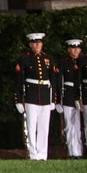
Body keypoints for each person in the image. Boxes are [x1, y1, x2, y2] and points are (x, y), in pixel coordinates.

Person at [14, 33, 58, 161]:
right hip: (31, 96)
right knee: (31, 127)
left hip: (45, 96)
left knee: (44, 127)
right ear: (30, 44)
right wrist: (18, 100)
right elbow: (19, 80)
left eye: (39, 42)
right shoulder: (25, 59)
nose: (37, 45)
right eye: (34, 42)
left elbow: (53, 80)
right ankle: (33, 154)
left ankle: (42, 155)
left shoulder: (48, 58)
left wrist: (53, 99)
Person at [56, 39, 84, 159]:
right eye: (72, 48)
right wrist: (58, 101)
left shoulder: (83, 62)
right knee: (69, 125)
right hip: (68, 96)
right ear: (68, 50)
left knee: (79, 125)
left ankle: (80, 151)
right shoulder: (64, 63)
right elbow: (59, 82)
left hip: (81, 96)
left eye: (77, 48)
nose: (75, 50)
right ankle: (73, 152)